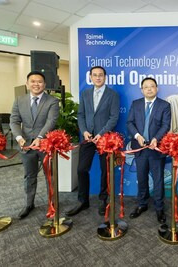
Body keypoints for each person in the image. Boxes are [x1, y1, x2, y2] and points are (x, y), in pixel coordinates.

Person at [66, 66, 120, 217]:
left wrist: (102, 133)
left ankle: (104, 200)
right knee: (82, 169)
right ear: (90, 77)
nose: (98, 78)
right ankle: (83, 201)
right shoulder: (85, 93)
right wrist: (84, 131)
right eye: (95, 75)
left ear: (105, 77)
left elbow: (114, 117)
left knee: (105, 170)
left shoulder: (113, 95)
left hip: (105, 139)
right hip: (87, 137)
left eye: (100, 75)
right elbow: (81, 115)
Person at [10, 71, 60, 219]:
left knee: (49, 175)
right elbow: (14, 121)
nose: (36, 84)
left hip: (45, 144)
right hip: (26, 145)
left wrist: (40, 137)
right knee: (29, 176)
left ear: (44, 85)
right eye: (33, 81)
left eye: (39, 82)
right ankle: (29, 204)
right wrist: (19, 137)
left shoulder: (52, 101)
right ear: (27, 84)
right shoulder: (19, 100)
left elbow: (51, 121)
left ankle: (53, 203)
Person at [126, 77, 171, 223]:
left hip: (156, 148)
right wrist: (137, 136)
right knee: (142, 177)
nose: (149, 89)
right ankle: (142, 204)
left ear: (157, 88)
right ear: (142, 90)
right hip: (139, 148)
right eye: (146, 87)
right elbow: (130, 123)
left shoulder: (164, 105)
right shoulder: (136, 104)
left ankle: (159, 208)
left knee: (158, 180)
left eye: (152, 86)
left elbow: (165, 125)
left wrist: (156, 139)